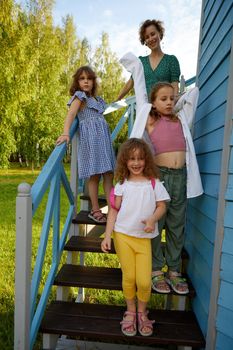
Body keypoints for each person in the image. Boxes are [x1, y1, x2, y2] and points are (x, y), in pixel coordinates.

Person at [101, 138, 170, 336]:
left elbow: (162, 206)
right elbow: (113, 212)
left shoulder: (154, 184)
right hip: (122, 235)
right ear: (125, 161)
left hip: (143, 239)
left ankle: (142, 313)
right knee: (129, 276)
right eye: (132, 159)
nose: (136, 163)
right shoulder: (122, 184)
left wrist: (152, 220)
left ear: (146, 160)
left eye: (140, 158)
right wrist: (107, 236)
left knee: (145, 281)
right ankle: (131, 311)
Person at [145, 82, 203, 294]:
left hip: (181, 178)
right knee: (157, 223)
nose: (169, 102)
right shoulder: (151, 120)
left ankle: (174, 271)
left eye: (172, 98)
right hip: (161, 177)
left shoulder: (181, 120)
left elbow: (194, 93)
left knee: (176, 225)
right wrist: (154, 106)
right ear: (153, 102)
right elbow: (142, 97)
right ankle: (156, 269)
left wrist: (176, 101)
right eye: (163, 99)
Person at [56, 66, 115, 223]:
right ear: (77, 82)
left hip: (103, 141)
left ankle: (112, 209)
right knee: (95, 175)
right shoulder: (79, 97)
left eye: (89, 78)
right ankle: (95, 209)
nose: (86, 81)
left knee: (109, 175)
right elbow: (71, 114)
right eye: (82, 78)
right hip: (92, 141)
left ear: (93, 82)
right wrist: (66, 132)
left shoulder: (97, 100)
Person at [116, 19, 180, 102]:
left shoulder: (171, 60)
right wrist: (117, 100)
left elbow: (175, 86)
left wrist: (172, 107)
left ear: (159, 34)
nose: (150, 39)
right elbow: (130, 83)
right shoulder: (141, 62)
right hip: (145, 110)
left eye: (153, 34)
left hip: (164, 110)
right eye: (147, 37)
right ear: (145, 41)